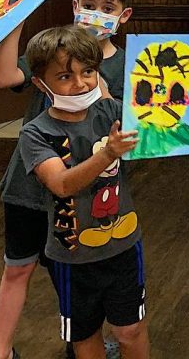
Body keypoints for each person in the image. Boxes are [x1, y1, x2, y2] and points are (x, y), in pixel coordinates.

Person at [0, 0, 134, 359]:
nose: (96, 14)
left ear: (123, 16)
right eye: (89, 5)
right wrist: (15, 19)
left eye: (107, 7)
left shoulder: (126, 65)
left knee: (74, 274)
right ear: (75, 6)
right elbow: (4, 78)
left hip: (84, 196)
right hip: (28, 188)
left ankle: (81, 340)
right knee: (16, 268)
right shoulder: (53, 51)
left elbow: (138, 122)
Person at [18, 26, 146, 359]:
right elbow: (61, 184)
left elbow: (162, 126)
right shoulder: (36, 133)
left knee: (131, 330)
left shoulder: (110, 112)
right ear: (40, 83)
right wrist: (107, 154)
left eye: (88, 72)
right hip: (72, 255)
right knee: (85, 337)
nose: (80, 84)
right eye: (65, 76)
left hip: (123, 246)